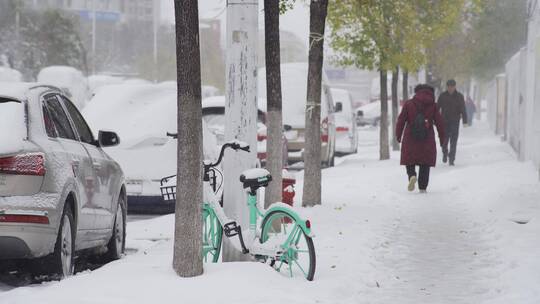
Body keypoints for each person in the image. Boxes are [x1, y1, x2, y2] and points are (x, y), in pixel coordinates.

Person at [396, 84, 445, 193]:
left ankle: (412, 175)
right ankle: (422, 187)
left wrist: (398, 135)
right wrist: (442, 138)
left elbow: (401, 120)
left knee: (410, 160)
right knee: (425, 162)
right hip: (427, 137)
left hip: (410, 136)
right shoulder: (433, 106)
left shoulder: (409, 104)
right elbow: (440, 123)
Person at [437, 79, 467, 166]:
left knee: (454, 141)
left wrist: (465, 121)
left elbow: (463, 109)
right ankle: (445, 153)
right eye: (449, 87)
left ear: (454, 87)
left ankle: (452, 159)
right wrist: (435, 119)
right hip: (444, 122)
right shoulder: (442, 96)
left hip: (455, 121)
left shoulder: (459, 96)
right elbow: (437, 108)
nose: (450, 88)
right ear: (447, 87)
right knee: (444, 140)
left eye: (452, 87)